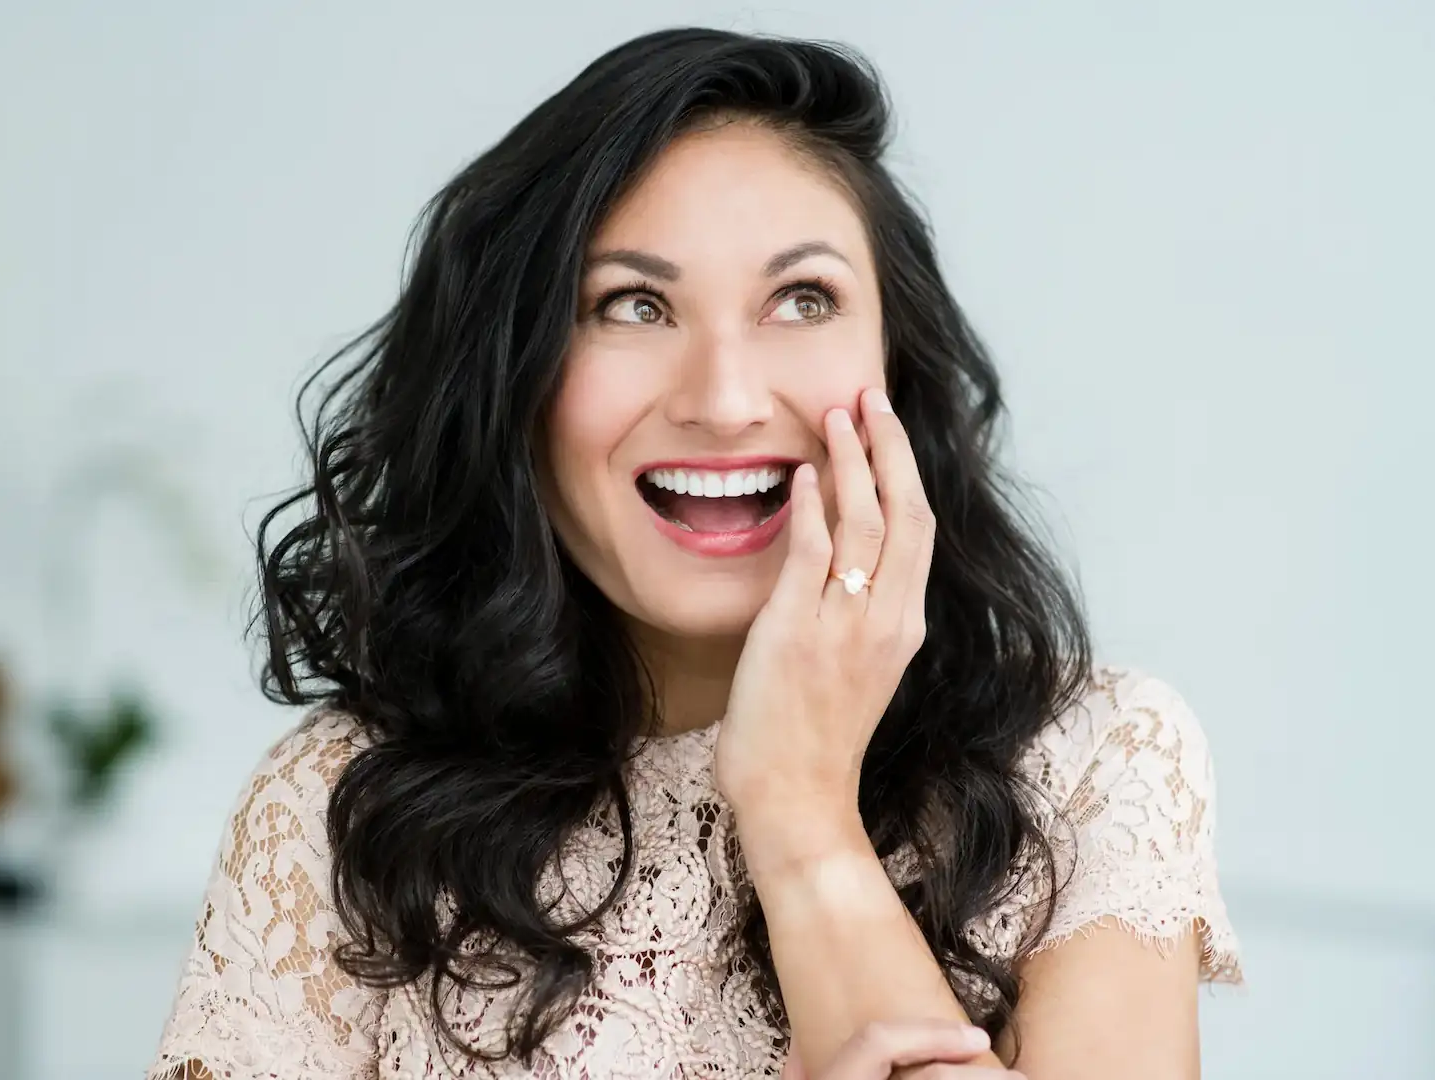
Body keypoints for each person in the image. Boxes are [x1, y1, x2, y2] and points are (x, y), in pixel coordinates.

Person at [147, 26, 1240, 1080]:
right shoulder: (345, 806)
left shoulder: (1101, 764)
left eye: (802, 300)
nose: (724, 401)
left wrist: (802, 809)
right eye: (632, 306)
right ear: (514, 382)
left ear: (897, 370)